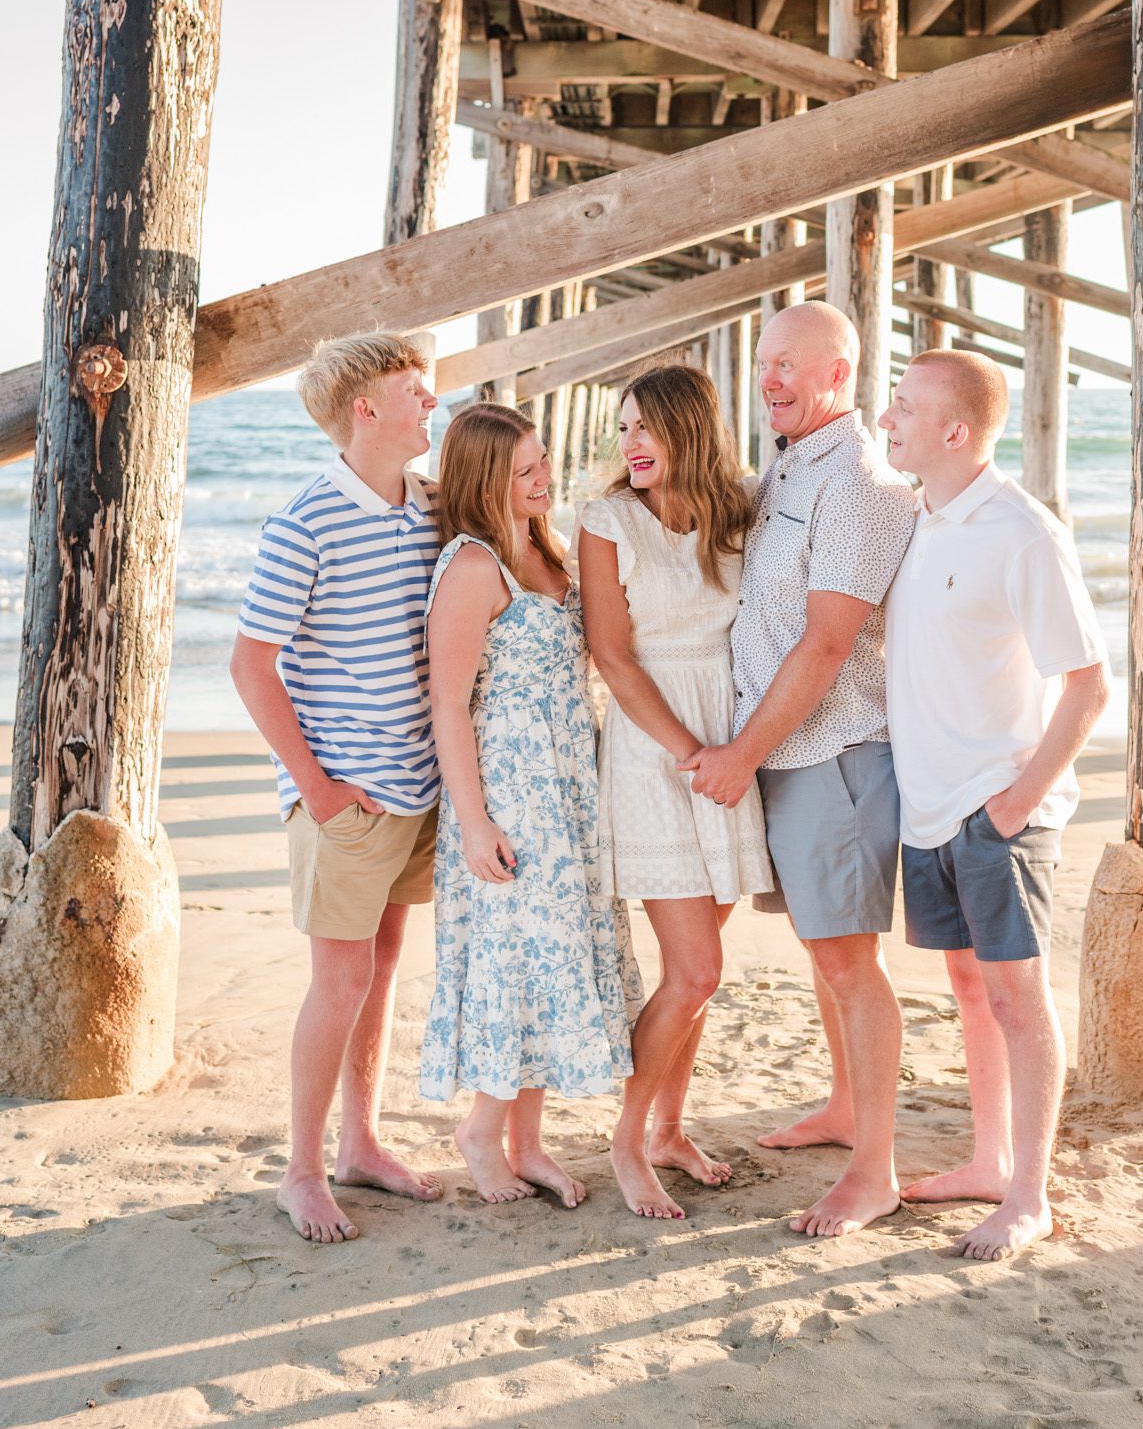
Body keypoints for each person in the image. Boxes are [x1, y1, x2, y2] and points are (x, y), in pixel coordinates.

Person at [683, 302, 917, 1239]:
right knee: (824, 956)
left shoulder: (856, 483)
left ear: (838, 376)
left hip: (836, 754)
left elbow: (825, 646)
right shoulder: (788, 464)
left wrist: (740, 752)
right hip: (788, 751)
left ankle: (875, 1172)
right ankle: (843, 1107)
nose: (770, 378)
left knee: (850, 963)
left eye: (790, 365)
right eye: (765, 363)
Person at [880, 350, 1111, 1262]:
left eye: (902, 407)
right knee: (970, 991)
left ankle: (1028, 1195)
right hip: (929, 806)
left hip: (995, 810)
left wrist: (1015, 803)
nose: (887, 419)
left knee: (1018, 999)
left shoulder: (1023, 532)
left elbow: (1088, 684)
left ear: (954, 432)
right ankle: (987, 1159)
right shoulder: (922, 518)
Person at [230, 332, 445, 1245]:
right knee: (340, 976)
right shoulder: (307, 520)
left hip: (416, 784)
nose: (430, 400)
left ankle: (363, 1144)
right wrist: (313, 786)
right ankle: (304, 1170)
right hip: (345, 792)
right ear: (366, 408)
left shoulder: (429, 504)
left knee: (384, 965)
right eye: (413, 388)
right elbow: (248, 664)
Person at [420, 402, 642, 1209]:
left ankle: (527, 1142)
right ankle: (480, 1129)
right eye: (524, 471)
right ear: (486, 481)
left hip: (568, 785)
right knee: (516, 960)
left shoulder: (545, 551)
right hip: (509, 792)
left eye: (543, 460)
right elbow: (448, 703)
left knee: (555, 961)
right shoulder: (474, 566)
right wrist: (475, 823)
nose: (543, 477)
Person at [577, 366, 775, 1221]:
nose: (630, 446)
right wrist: (691, 751)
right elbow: (612, 657)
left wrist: (731, 749)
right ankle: (626, 1139)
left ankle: (667, 1129)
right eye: (623, 430)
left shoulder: (737, 511)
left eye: (646, 429)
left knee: (687, 974)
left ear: (689, 430)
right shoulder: (605, 519)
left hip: (727, 742)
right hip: (657, 746)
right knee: (696, 973)